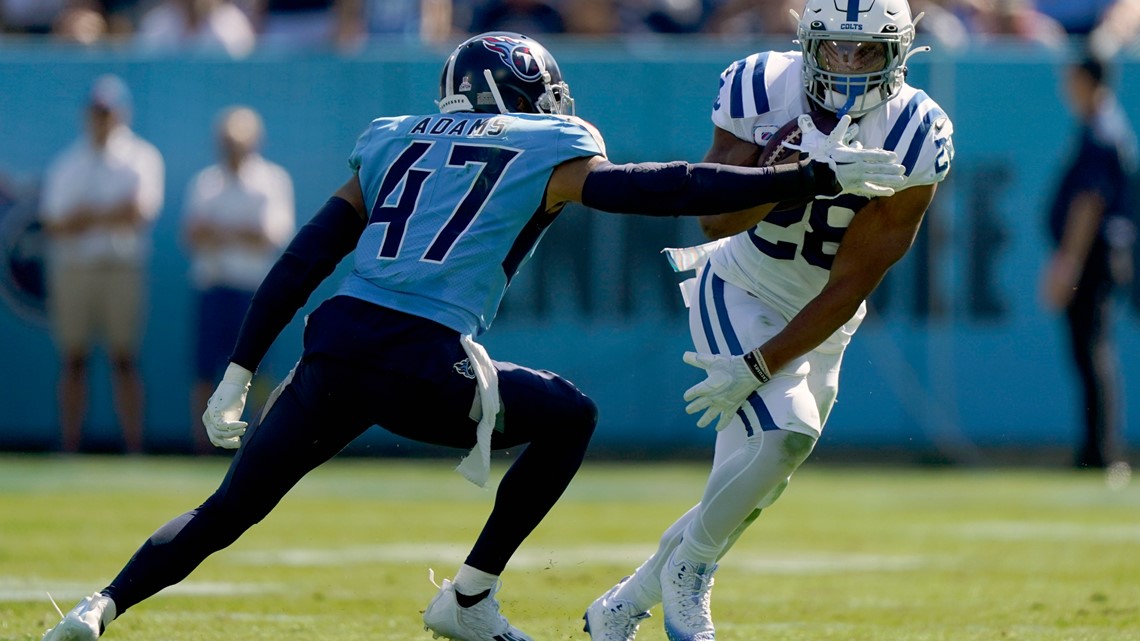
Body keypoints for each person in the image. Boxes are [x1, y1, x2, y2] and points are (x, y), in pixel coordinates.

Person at [38, 31, 905, 641]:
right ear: (521, 93)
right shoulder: (545, 142)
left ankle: (99, 608)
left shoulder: (393, 136)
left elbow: (312, 249)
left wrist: (238, 364)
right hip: (423, 362)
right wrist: (807, 175)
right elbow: (657, 187)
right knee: (570, 416)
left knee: (228, 510)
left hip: (334, 348)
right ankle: (470, 595)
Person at [582, 2, 954, 641]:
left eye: (867, 51)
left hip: (824, 315)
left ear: (901, 53)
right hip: (740, 284)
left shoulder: (917, 132)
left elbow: (853, 282)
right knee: (787, 432)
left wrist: (758, 365)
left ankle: (621, 605)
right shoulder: (763, 86)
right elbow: (714, 220)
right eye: (836, 47)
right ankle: (691, 572)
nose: (849, 63)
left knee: (752, 487)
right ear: (807, 41)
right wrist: (802, 176)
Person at [39, 74, 165, 455]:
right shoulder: (68, 162)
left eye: (108, 112)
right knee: (73, 358)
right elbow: (56, 223)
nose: (102, 119)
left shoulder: (141, 157)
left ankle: (133, 446)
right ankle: (71, 445)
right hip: (76, 268)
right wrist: (108, 214)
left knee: (124, 358)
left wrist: (84, 216)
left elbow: (139, 212)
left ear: (122, 114)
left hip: (120, 267)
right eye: (97, 112)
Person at [1039, 55, 1136, 480]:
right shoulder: (1099, 125)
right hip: (1095, 257)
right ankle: (1095, 447)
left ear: (1089, 80)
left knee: (1093, 351)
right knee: (1089, 352)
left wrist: (1068, 264)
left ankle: (1100, 451)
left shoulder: (1101, 131)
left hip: (1093, 258)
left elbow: (1089, 203)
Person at [182, 105, 295, 453]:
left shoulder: (271, 180)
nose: (232, 148)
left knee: (259, 370)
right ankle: (203, 445)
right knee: (205, 368)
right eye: (227, 141)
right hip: (213, 287)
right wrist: (240, 232)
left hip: (252, 292)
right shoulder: (205, 182)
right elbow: (192, 234)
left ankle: (257, 442)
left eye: (238, 141)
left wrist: (221, 232)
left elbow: (271, 235)